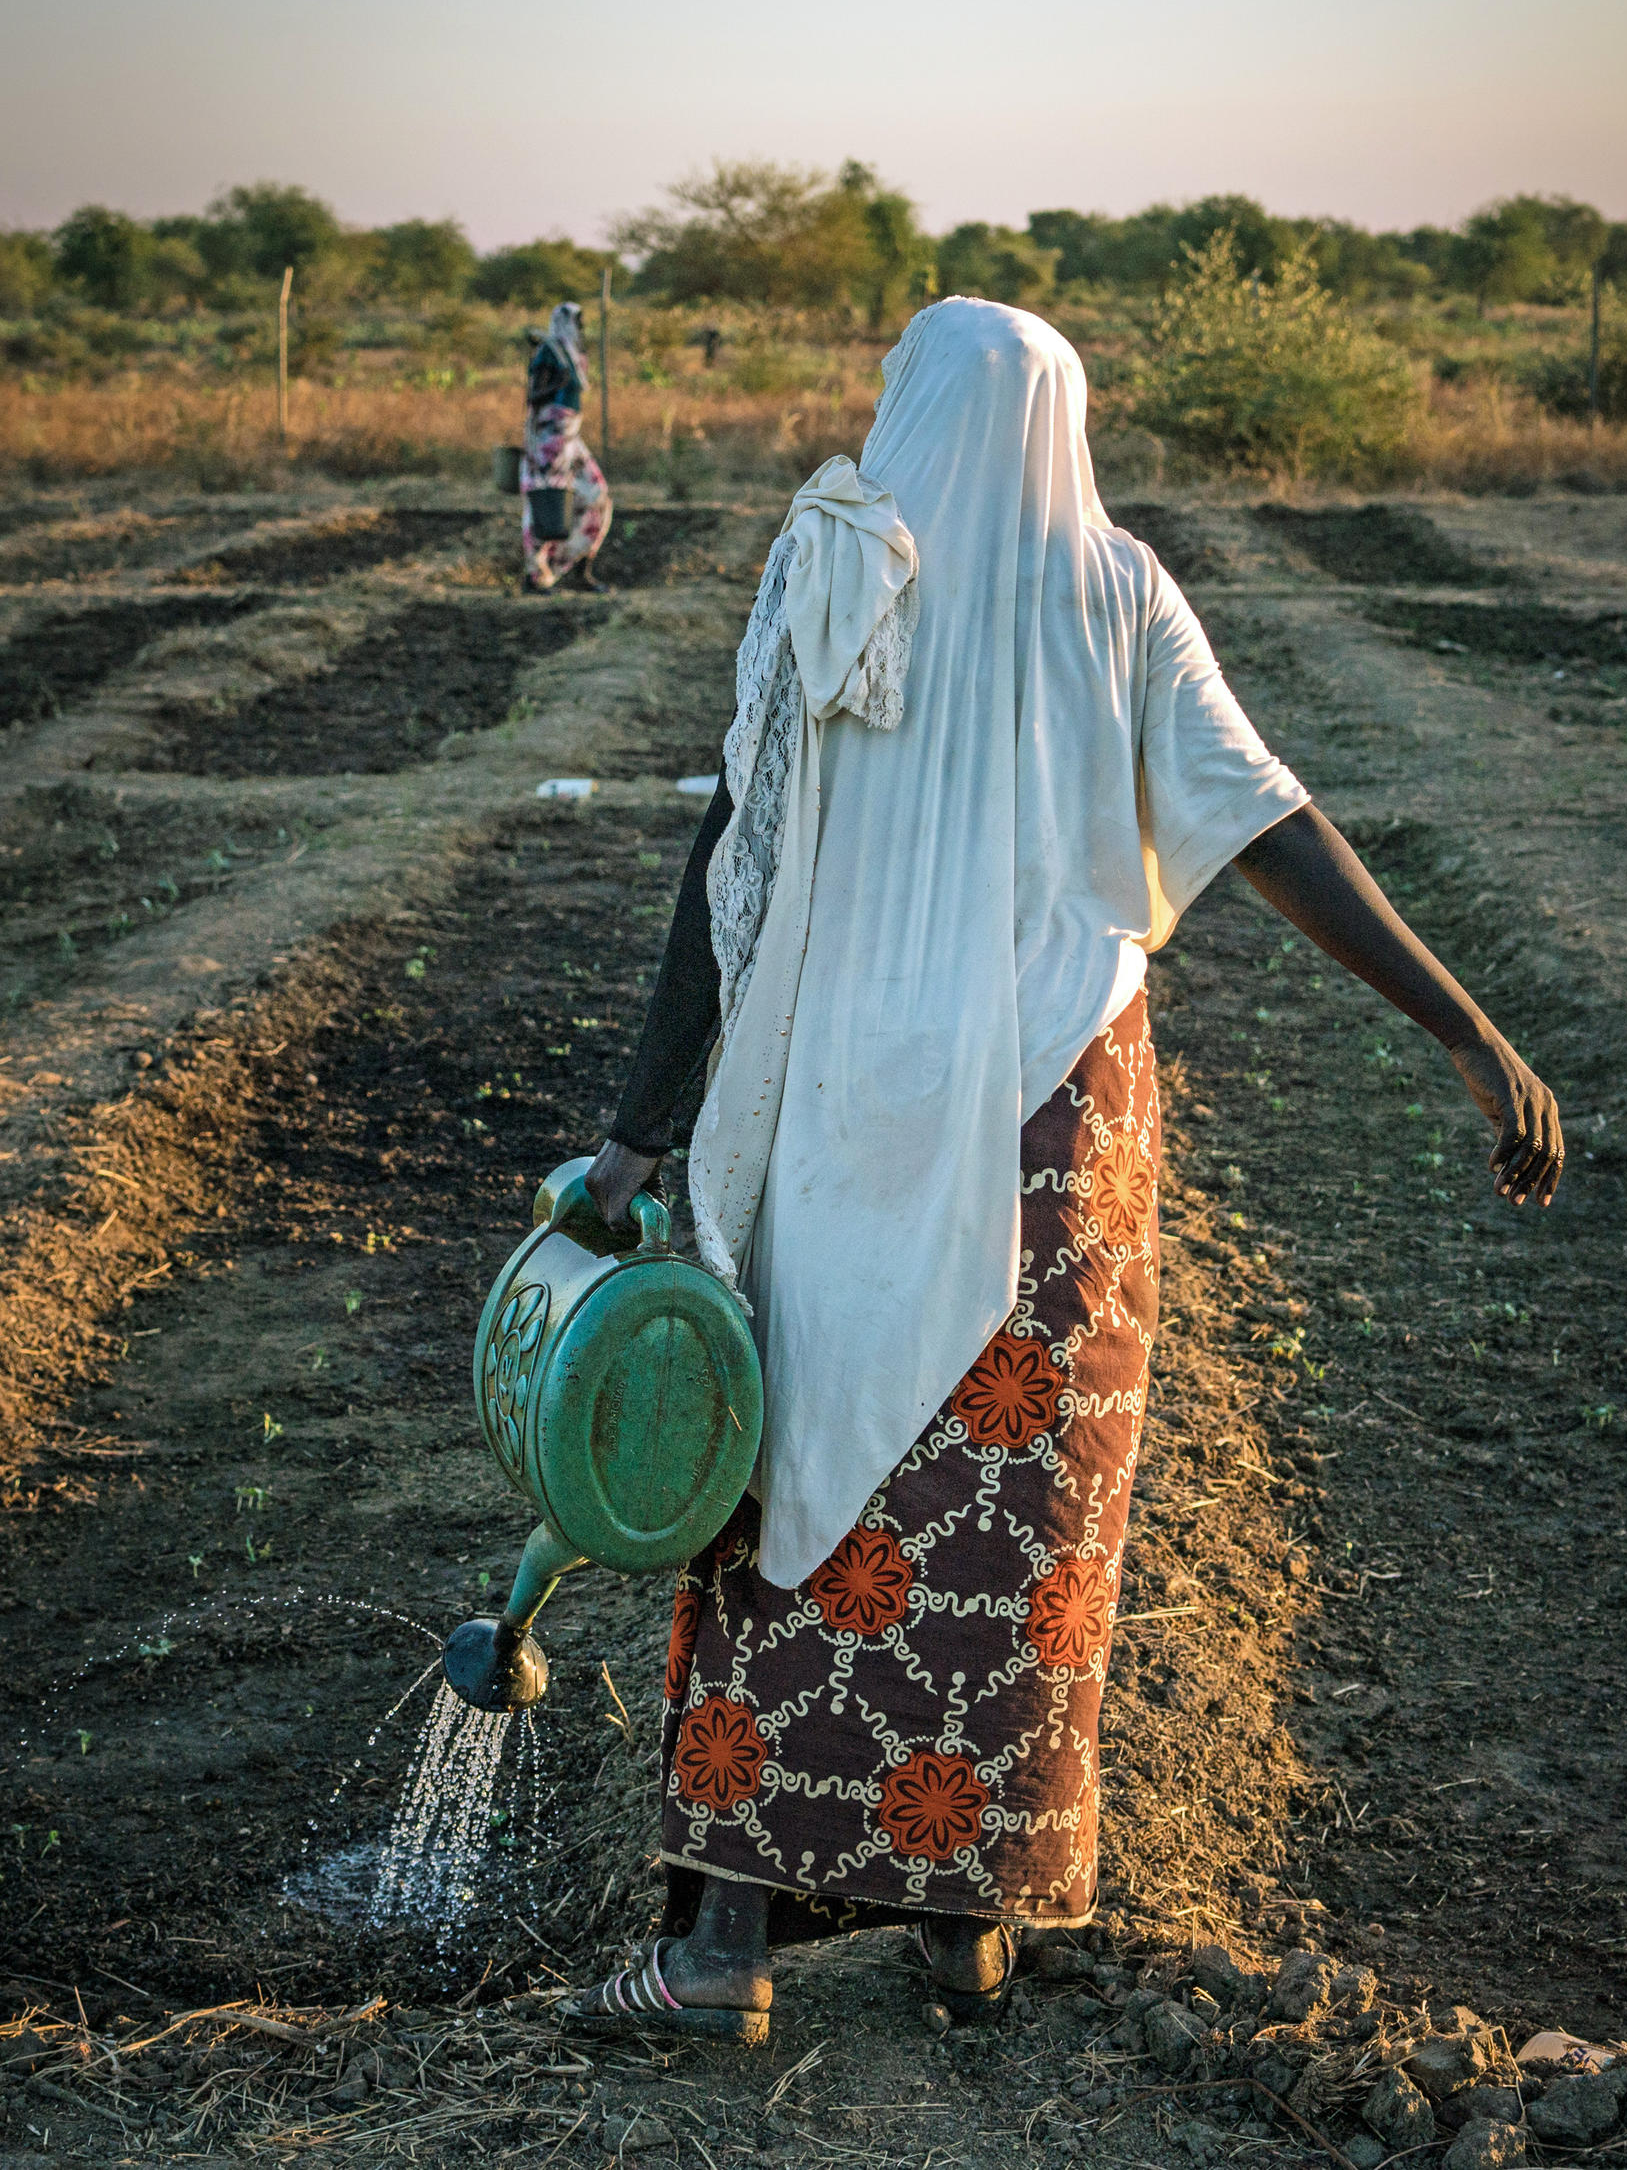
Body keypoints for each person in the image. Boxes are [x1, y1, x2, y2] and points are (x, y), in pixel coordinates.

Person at [557, 298, 1563, 2044]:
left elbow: (730, 860)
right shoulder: (1122, 594)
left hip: (840, 1112)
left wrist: (638, 1131)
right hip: (1054, 1133)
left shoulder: (836, 569)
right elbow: (1273, 827)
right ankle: (965, 1928)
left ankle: (726, 1948)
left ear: (910, 407)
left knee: (786, 1492)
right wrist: (1466, 1026)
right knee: (1017, 1532)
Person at [518, 301, 613, 592]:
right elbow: (533, 397)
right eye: (577, 321)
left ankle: (576, 568)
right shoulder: (550, 351)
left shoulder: (571, 352)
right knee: (548, 506)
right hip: (549, 439)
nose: (581, 328)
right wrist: (559, 381)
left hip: (570, 438)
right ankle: (535, 575)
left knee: (597, 497)